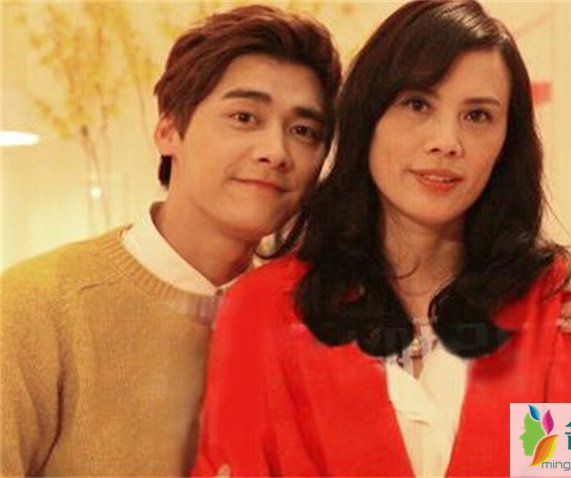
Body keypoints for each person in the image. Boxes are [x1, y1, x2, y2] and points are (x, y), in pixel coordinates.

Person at [192, 1, 571, 477]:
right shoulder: (262, 307)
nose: (446, 141)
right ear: (368, 116)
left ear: (507, 141)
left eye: (478, 115)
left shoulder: (563, 299)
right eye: (418, 104)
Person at [0, 5, 341, 476]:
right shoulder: (37, 306)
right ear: (168, 131)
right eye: (244, 117)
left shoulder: (309, 324)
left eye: (303, 131)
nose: (275, 152)